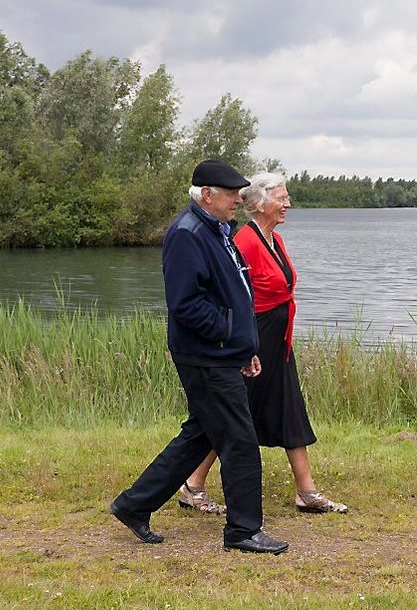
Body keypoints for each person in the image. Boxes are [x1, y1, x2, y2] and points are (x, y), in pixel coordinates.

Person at [110, 159, 289, 555]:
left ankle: (134, 504)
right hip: (205, 356)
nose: (237, 202)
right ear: (206, 195)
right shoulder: (187, 235)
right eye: (231, 195)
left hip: (223, 353)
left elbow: (234, 294)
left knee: (200, 435)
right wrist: (229, 336)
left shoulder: (219, 230)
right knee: (240, 440)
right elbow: (186, 305)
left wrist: (246, 347)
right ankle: (243, 531)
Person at [182, 171, 347, 515]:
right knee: (232, 415)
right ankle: (192, 485)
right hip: (253, 342)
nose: (288, 203)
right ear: (258, 204)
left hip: (278, 342)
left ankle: (307, 491)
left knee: (290, 409)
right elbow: (229, 294)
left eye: (287, 197)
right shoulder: (245, 241)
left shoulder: (275, 240)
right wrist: (242, 345)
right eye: (282, 198)